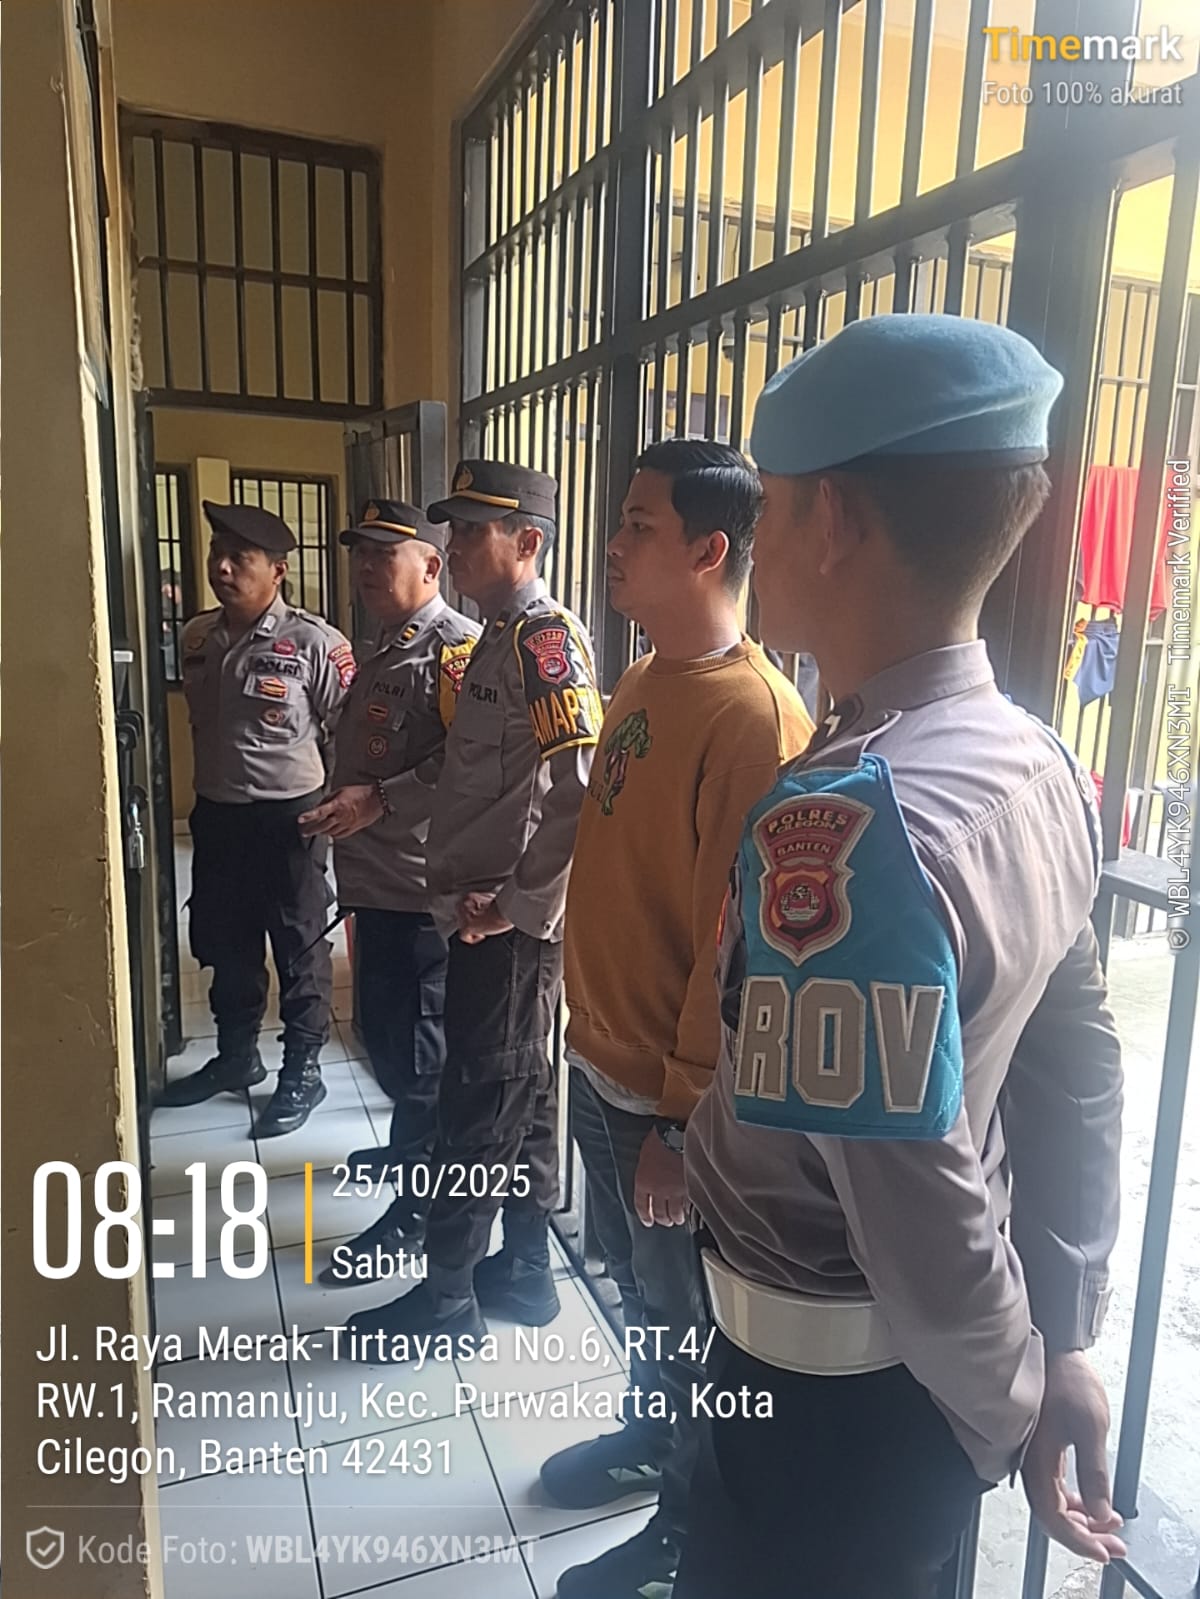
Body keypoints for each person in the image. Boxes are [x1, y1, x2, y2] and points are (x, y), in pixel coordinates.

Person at [678, 315, 1126, 1599]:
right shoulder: (1031, 760)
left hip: (832, 1421)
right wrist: (1065, 1331)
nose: (756, 545)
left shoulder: (852, 834)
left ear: (830, 522)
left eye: (769, 511)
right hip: (893, 1406)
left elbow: (912, 1204)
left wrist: (1012, 1405)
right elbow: (1077, 1067)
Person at [545, 440, 813, 1599]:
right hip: (606, 1065)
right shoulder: (648, 676)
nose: (613, 546)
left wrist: (681, 1118)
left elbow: (731, 945)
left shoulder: (753, 718)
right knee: (644, 1296)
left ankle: (686, 1539)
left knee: (692, 1323)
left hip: (668, 1097)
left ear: (709, 549)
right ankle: (650, 1443)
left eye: (637, 526)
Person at [346, 461, 602, 1345]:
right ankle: (526, 1269)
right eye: (450, 530)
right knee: (518, 1096)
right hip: (482, 915)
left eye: (469, 531)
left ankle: (448, 1299)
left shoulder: (545, 640)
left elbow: (580, 788)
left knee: (478, 1104)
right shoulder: (497, 637)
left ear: (527, 541)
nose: (451, 546)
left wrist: (522, 905)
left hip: (507, 927)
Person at [295, 500, 480, 1279]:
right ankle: (408, 1153)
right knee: (392, 1047)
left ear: (431, 565)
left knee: (421, 1065)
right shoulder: (383, 646)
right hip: (376, 887)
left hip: (419, 894)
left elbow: (471, 765)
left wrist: (379, 799)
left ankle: (418, 1214)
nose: (367, 567)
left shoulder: (456, 652)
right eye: (361, 553)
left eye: (385, 553)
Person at [162, 501, 356, 1137]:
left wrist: (338, 804)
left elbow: (351, 733)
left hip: (290, 822)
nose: (221, 567)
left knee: (300, 947)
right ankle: (236, 1056)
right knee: (226, 939)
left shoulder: (316, 644)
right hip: (219, 816)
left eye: (238, 558)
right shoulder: (198, 637)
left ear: (277, 570)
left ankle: (303, 1069)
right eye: (216, 553)